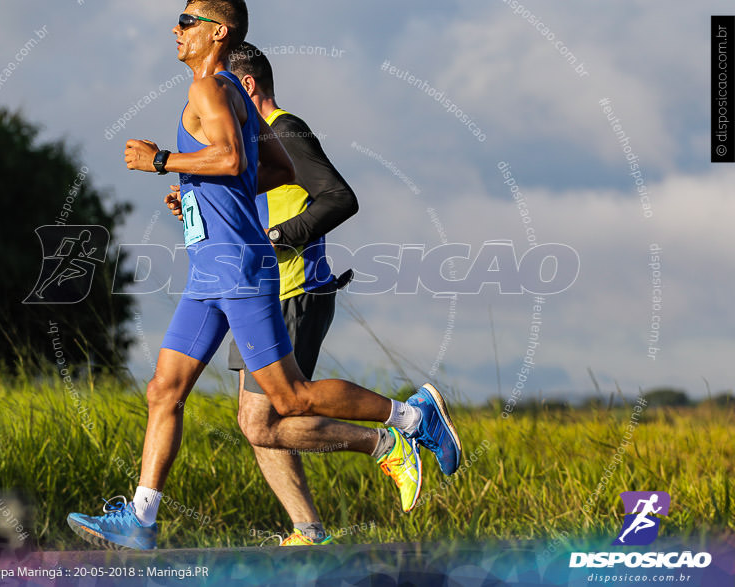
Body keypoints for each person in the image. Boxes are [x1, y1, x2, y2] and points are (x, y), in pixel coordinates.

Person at [67, 0, 462, 551]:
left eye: (186, 22)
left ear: (217, 32)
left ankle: (411, 418)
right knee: (164, 390)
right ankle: (142, 517)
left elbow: (229, 159)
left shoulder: (210, 90)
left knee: (292, 399)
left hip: (240, 269)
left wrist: (162, 161)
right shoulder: (233, 96)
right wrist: (204, 196)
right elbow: (270, 170)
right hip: (210, 271)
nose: (175, 31)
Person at [218, 41, 421, 546]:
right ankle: (308, 530)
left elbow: (339, 196)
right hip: (257, 294)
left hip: (294, 289)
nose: (211, 100)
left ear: (246, 86)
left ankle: (390, 436)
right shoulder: (248, 145)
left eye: (221, 88)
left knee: (265, 418)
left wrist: (279, 237)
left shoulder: (285, 130)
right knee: (255, 420)